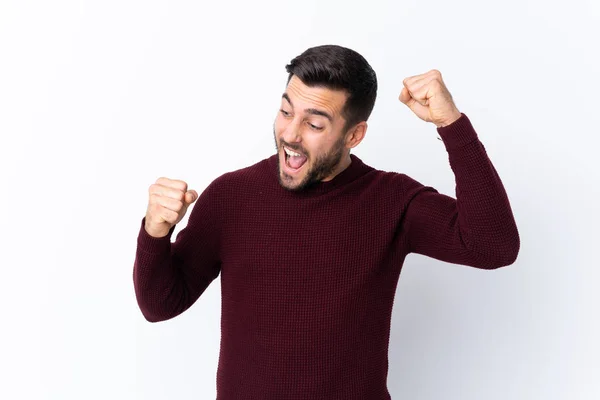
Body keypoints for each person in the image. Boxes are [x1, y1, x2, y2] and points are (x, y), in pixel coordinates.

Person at [133, 44, 520, 399]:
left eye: (314, 125)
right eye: (286, 111)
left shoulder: (392, 200)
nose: (290, 134)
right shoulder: (230, 196)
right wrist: (155, 231)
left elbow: (493, 246)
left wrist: (451, 124)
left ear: (354, 135)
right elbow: (160, 304)